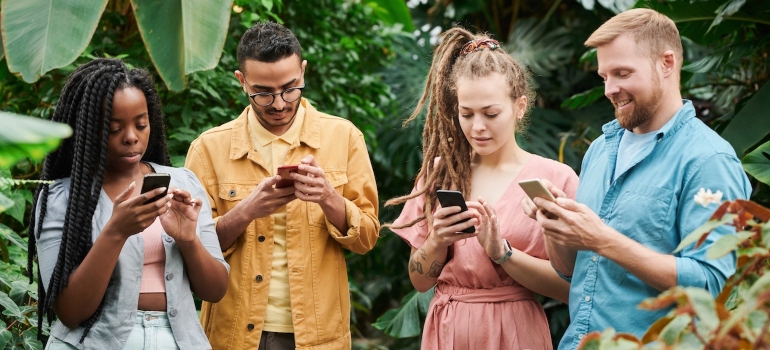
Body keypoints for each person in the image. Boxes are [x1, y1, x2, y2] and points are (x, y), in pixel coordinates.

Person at [521, 8, 753, 349]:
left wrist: (603, 239)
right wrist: (554, 226)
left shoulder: (709, 160)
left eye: (622, 73)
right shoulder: (600, 150)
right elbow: (571, 271)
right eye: (604, 76)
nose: (609, 89)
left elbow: (711, 285)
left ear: (667, 63)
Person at [184, 22, 379, 349]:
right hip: (233, 336)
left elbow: (368, 238)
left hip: (318, 338)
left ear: (303, 72)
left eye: (290, 89)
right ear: (242, 81)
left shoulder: (344, 138)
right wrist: (245, 212)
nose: (279, 104)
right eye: (263, 93)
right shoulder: (208, 149)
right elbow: (191, 252)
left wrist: (329, 199)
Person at [386, 27, 578, 350]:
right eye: (466, 113)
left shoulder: (554, 179)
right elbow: (419, 281)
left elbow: (572, 288)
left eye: (491, 113)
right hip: (447, 331)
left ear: (520, 106)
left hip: (515, 332)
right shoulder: (441, 173)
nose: (477, 127)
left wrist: (502, 253)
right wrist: (437, 240)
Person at [28, 58, 229, 349]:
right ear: (86, 129)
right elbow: (70, 312)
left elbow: (215, 290)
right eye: (114, 129)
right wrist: (116, 231)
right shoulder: (61, 198)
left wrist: (188, 240)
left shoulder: (183, 182)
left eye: (141, 124)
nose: (131, 137)